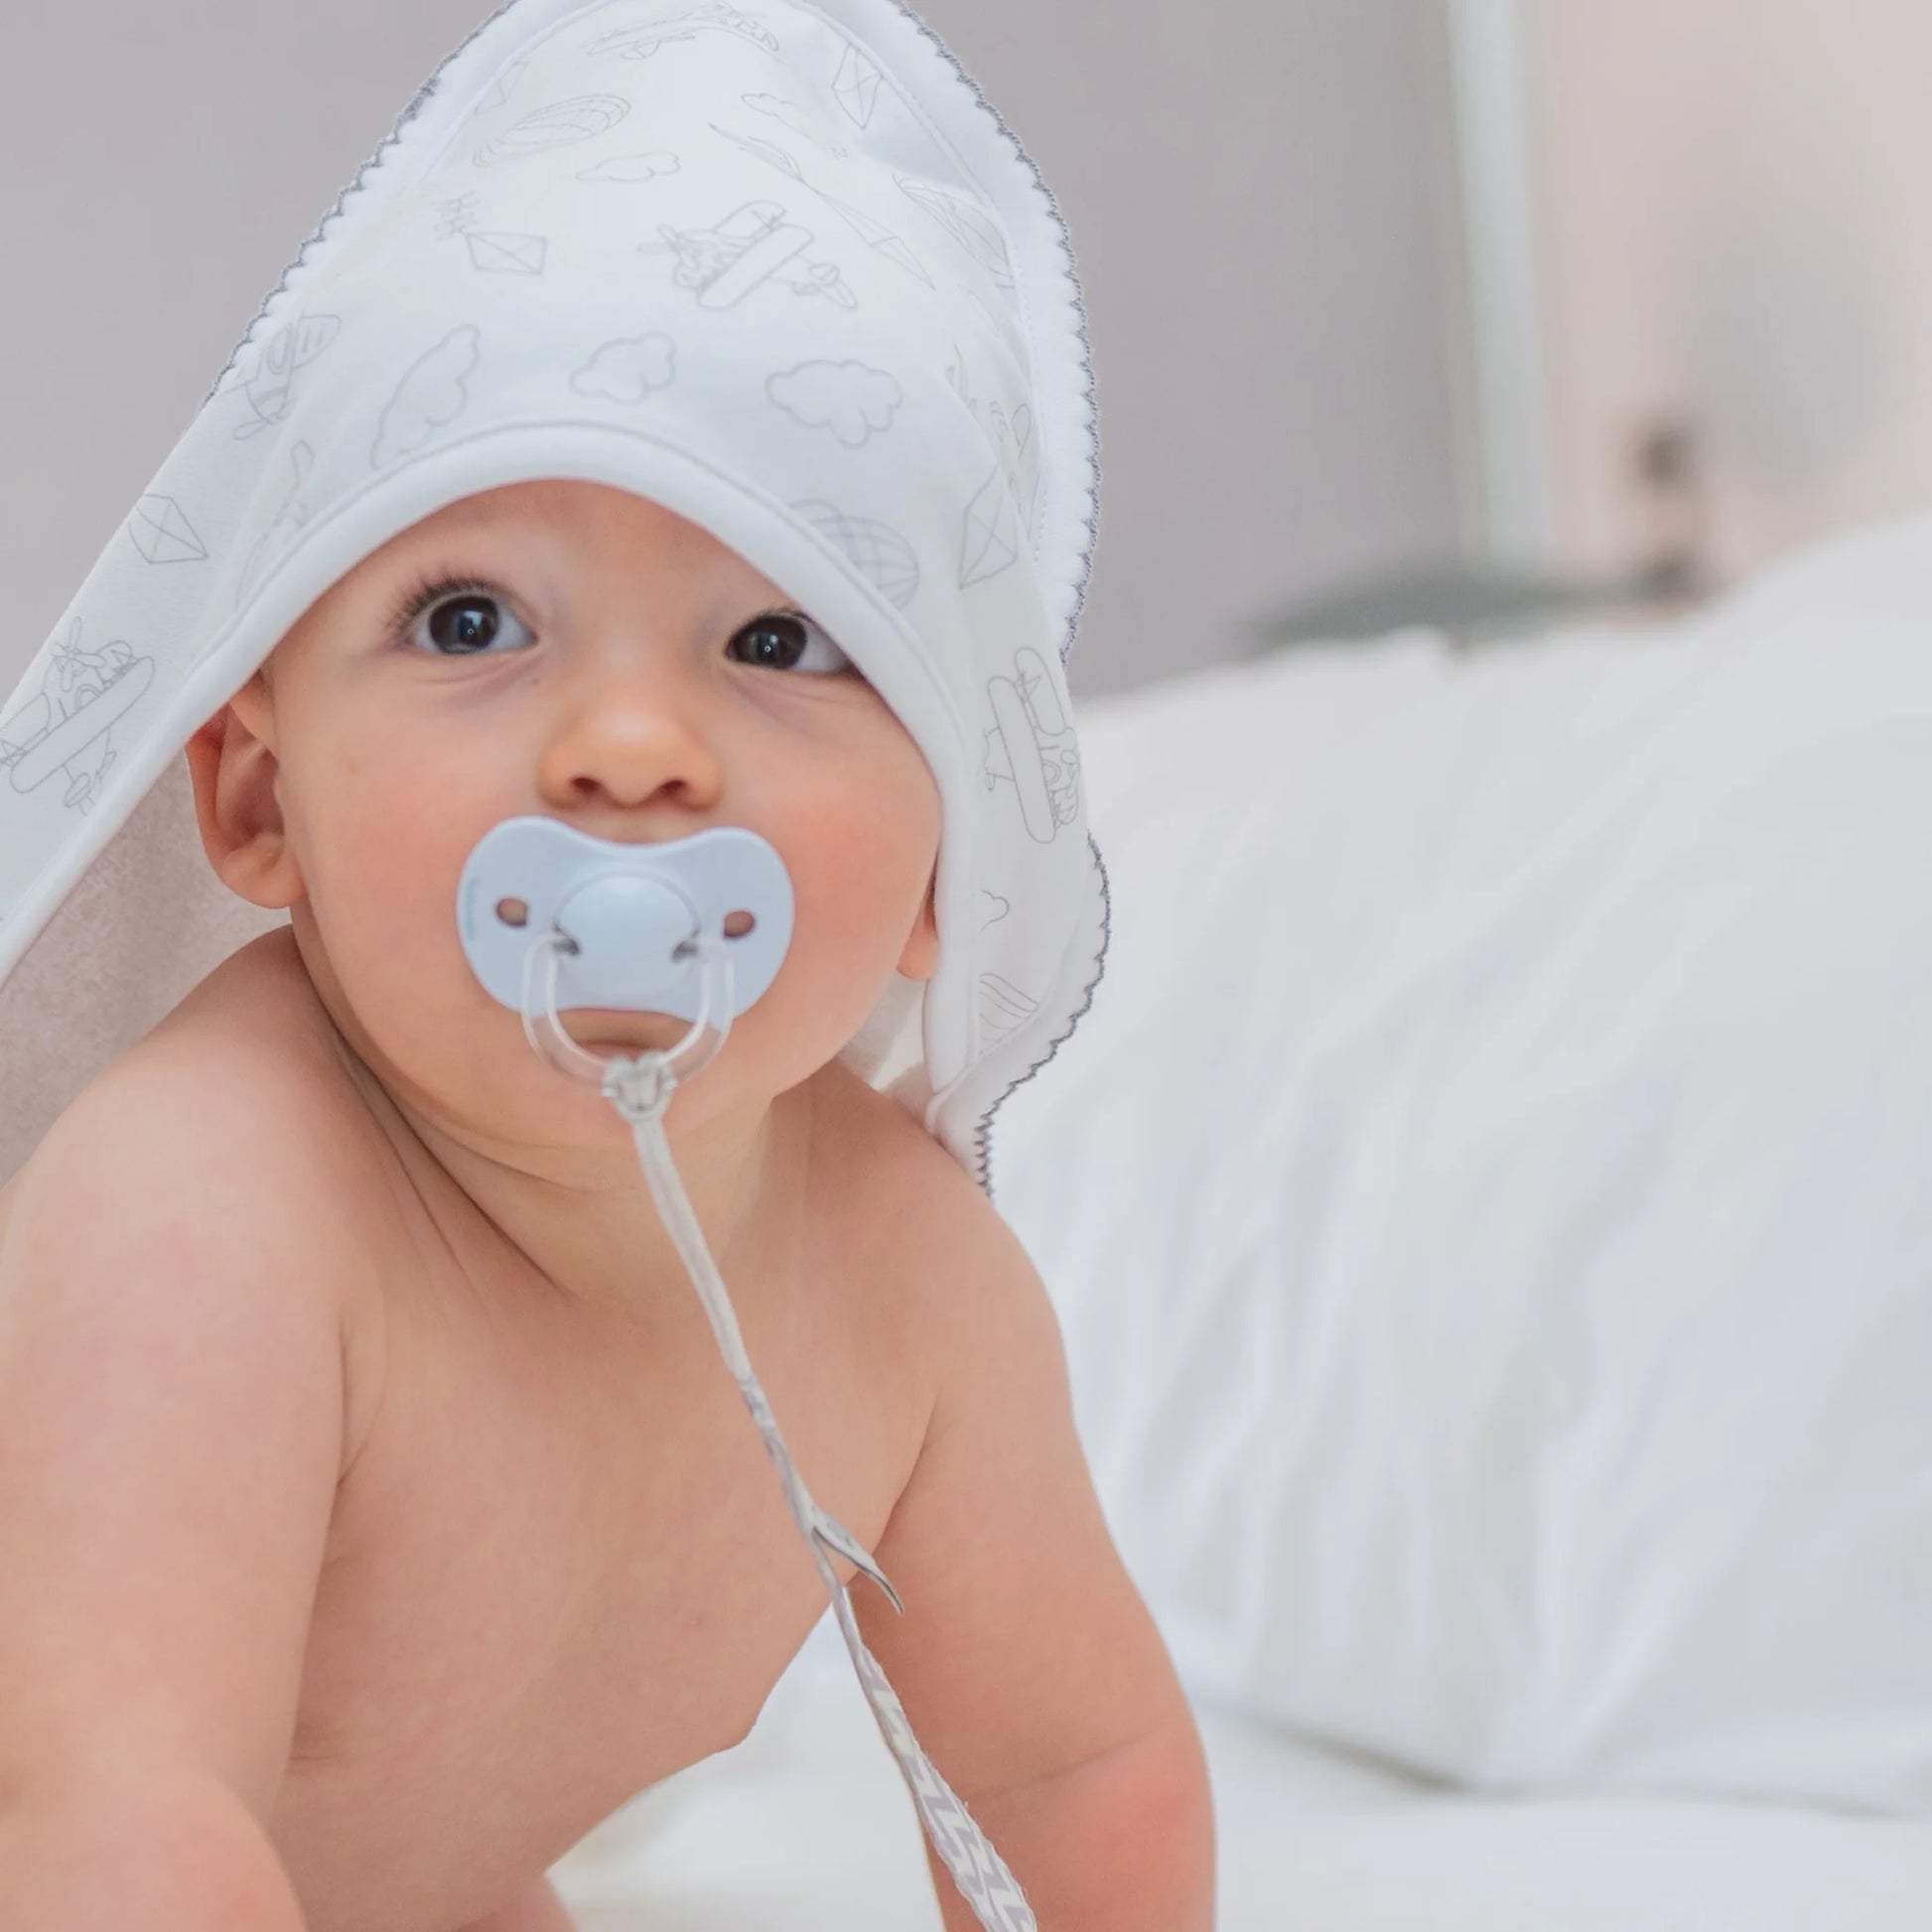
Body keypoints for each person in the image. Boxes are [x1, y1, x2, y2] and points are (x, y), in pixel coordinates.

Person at [0, 2, 1214, 1928]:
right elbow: (106, 1821)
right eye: (471, 619)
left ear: (956, 868)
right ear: (256, 797)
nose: (632, 744)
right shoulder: (202, 1220)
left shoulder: (908, 1282)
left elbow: (1073, 1764)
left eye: (781, 639)